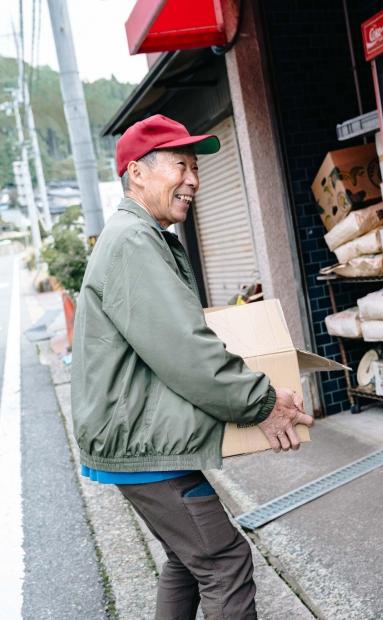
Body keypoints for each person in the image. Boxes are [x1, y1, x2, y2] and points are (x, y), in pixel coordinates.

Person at [70, 114, 313, 619]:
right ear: (136, 173)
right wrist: (262, 403)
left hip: (139, 437)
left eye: (196, 169)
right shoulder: (134, 242)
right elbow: (186, 349)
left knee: (189, 560)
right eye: (181, 165)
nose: (194, 180)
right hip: (142, 444)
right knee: (223, 562)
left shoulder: (144, 237)